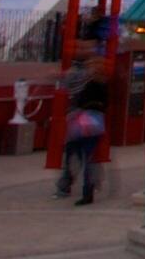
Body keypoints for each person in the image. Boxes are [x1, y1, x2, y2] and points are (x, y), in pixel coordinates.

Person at [57, 57, 108, 205]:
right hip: (97, 121)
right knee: (89, 157)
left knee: (75, 152)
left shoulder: (89, 85)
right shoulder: (103, 84)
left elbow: (79, 101)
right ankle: (88, 188)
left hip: (84, 120)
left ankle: (70, 183)